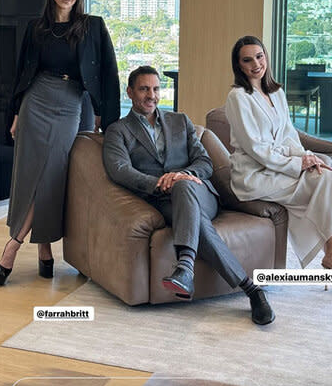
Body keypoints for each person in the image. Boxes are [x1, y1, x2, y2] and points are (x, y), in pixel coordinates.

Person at [102, 66, 274, 325]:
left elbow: (204, 161)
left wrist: (182, 176)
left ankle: (185, 267)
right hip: (163, 202)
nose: (152, 95)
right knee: (199, 226)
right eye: (144, 89)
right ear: (130, 92)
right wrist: (160, 183)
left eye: (156, 89)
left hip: (200, 194)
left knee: (183, 186)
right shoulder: (118, 130)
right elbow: (120, 170)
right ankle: (252, 290)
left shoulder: (179, 121)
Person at [0, 0, 120, 286]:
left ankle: (13, 245)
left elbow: (109, 73)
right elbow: (22, 72)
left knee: (51, 175)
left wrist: (106, 118)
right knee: (28, 175)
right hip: (35, 101)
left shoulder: (92, 26)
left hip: (70, 103)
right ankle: (44, 250)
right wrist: (14, 112)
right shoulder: (36, 28)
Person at [225, 36, 332, 296]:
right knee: (326, 184)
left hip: (279, 166)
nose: (256, 64)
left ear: (266, 58)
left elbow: (288, 136)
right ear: (239, 65)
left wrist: (308, 157)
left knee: (325, 173)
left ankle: (331, 257)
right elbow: (256, 149)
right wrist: (298, 163)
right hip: (254, 175)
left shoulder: (276, 92)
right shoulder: (238, 98)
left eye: (259, 57)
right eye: (247, 60)